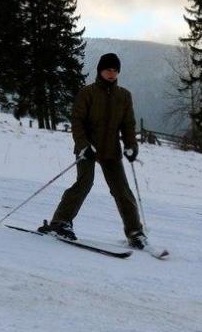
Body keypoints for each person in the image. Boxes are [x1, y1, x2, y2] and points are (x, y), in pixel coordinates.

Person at [38, 53, 147, 249]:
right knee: (84, 183)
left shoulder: (124, 96)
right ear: (100, 70)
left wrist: (131, 146)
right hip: (88, 148)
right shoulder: (87, 93)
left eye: (115, 70)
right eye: (108, 70)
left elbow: (128, 125)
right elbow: (77, 122)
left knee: (122, 190)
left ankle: (135, 233)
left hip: (111, 150)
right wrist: (83, 145)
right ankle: (61, 222)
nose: (111, 74)